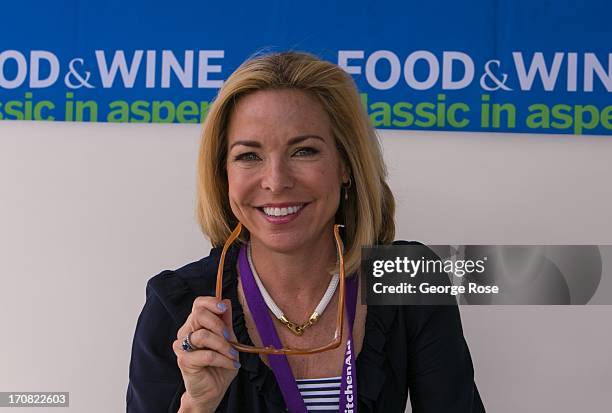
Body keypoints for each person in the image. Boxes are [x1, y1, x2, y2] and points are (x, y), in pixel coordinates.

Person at [127, 51, 485, 413]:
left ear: (346, 164)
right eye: (249, 156)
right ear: (224, 175)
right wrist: (198, 405)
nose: (277, 181)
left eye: (303, 151)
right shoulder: (176, 305)